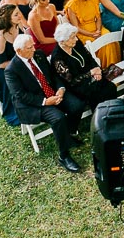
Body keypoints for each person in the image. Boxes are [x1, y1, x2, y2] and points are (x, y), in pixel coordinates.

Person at [5, 33, 84, 172]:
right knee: (58, 118)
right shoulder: (11, 70)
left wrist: (60, 89)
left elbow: (53, 74)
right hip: (35, 102)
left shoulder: (38, 55)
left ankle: (68, 134)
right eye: (29, 48)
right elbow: (20, 95)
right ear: (19, 51)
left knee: (77, 105)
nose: (34, 50)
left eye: (33, 46)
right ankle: (64, 156)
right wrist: (45, 101)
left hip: (52, 92)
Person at [47, 23, 119, 114]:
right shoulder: (57, 58)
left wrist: (97, 69)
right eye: (72, 37)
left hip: (90, 77)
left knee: (110, 87)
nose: (76, 39)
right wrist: (91, 73)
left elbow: (89, 57)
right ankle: (101, 118)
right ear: (63, 41)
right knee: (97, 93)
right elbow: (71, 81)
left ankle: (114, 112)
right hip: (76, 86)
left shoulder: (76, 43)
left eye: (75, 36)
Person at [64, 0, 120, 66]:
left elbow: (98, 17)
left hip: (97, 28)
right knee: (98, 44)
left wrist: (98, 30)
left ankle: (114, 66)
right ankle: (103, 67)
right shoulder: (72, 5)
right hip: (83, 32)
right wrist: (91, 34)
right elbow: (76, 27)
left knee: (108, 39)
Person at [0, 4, 27, 125]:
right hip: (3, 71)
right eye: (16, 14)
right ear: (7, 18)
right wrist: (23, 61)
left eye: (19, 12)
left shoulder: (18, 25)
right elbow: (0, 64)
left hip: (18, 61)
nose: (20, 16)